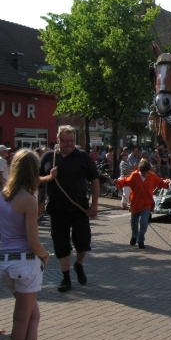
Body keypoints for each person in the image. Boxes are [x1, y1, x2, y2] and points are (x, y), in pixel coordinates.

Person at [0, 149, 50, 340]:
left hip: (6, 262)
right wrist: (45, 255)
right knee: (21, 320)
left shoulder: (2, 195)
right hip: (25, 263)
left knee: (32, 317)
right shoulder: (27, 200)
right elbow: (33, 242)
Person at [39, 125, 99, 293]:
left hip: (79, 209)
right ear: (58, 140)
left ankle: (78, 265)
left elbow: (94, 180)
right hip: (57, 210)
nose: (70, 144)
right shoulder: (48, 157)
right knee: (61, 244)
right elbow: (37, 179)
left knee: (83, 243)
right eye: (66, 141)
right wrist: (49, 177)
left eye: (72, 140)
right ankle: (65, 277)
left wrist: (95, 205)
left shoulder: (82, 157)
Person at [116, 160, 170, 249]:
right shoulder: (134, 175)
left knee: (144, 222)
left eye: (146, 173)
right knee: (133, 223)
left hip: (147, 203)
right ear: (139, 170)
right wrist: (118, 182)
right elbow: (125, 181)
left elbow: (160, 182)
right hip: (136, 203)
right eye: (143, 173)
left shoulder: (152, 176)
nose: (145, 174)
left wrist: (167, 182)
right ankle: (134, 236)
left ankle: (141, 239)